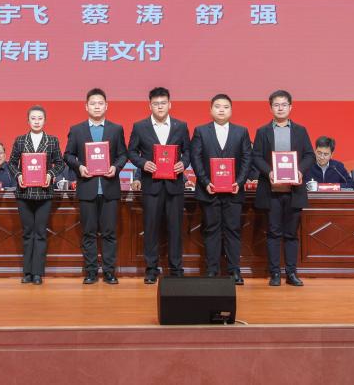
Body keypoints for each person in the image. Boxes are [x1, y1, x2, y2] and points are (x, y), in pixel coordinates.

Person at [64, 88, 128, 285]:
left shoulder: (116, 129)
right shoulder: (77, 129)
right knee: (89, 233)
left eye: (100, 103)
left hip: (109, 188)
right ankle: (91, 271)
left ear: (106, 106)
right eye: (93, 103)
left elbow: (123, 155)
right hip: (87, 188)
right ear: (86, 106)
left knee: (109, 233)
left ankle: (109, 272)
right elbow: (68, 155)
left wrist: (115, 167)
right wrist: (79, 167)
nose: (97, 107)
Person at [251, 90, 315, 287]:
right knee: (273, 233)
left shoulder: (300, 130)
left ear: (290, 107)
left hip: (294, 191)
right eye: (276, 105)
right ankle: (275, 273)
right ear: (270, 108)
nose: (280, 108)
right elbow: (256, 156)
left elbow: (309, 155)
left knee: (291, 234)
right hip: (271, 191)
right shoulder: (263, 131)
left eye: (284, 104)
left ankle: (291, 273)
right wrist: (269, 172)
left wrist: (300, 171)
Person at [127, 86, 190, 284]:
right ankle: (151, 269)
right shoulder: (140, 127)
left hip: (174, 186)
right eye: (156, 103)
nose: (160, 107)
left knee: (175, 229)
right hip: (151, 185)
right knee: (151, 228)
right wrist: (143, 163)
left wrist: (183, 163)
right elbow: (131, 152)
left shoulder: (181, 126)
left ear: (170, 104)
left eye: (163, 103)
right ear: (150, 105)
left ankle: (176, 269)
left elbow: (188, 151)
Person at [189, 94, 251, 285]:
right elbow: (195, 158)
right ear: (211, 110)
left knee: (233, 230)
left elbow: (247, 158)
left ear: (231, 110)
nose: (221, 110)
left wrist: (239, 182)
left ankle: (234, 270)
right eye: (217, 106)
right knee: (211, 230)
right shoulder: (201, 131)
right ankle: (212, 270)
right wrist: (205, 181)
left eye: (225, 107)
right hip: (209, 191)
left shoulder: (241, 131)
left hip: (234, 191)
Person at [7, 106, 65, 285]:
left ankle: (38, 273)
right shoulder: (20, 140)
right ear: (28, 121)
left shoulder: (52, 140)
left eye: (40, 118)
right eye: (33, 118)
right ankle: (27, 272)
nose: (37, 121)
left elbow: (60, 163)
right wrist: (18, 175)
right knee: (27, 232)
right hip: (24, 193)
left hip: (44, 193)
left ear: (45, 120)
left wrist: (50, 174)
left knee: (40, 233)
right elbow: (11, 163)